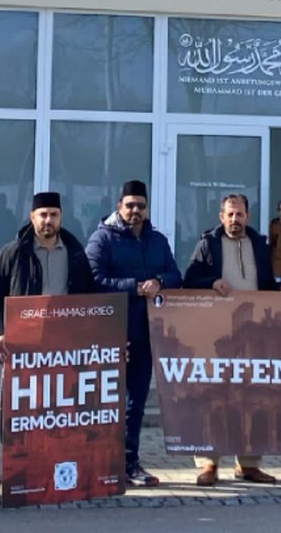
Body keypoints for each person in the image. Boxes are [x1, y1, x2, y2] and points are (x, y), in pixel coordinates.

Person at [85, 180, 181, 487]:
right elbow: (92, 280)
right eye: (130, 205)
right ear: (119, 206)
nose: (135, 211)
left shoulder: (157, 240)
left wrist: (159, 281)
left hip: (145, 333)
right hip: (110, 332)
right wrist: (133, 287)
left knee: (135, 403)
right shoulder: (102, 239)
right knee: (106, 402)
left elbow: (175, 274)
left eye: (141, 206)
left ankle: (129, 462)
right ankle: (100, 462)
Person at [184, 194, 278, 486]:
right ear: (221, 216)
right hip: (219, 334)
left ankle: (248, 464)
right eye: (230, 214)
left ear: (248, 216)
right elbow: (188, 281)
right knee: (216, 396)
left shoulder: (260, 245)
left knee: (253, 395)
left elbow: (267, 284)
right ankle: (209, 463)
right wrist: (211, 283)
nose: (235, 220)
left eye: (239, 214)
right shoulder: (207, 244)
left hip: (252, 334)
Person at [0, 191, 95, 359]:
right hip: (23, 342)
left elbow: (90, 297)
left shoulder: (75, 253)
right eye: (43, 215)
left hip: (66, 343)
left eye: (54, 215)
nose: (48, 220)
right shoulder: (12, 254)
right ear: (32, 217)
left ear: (61, 217)